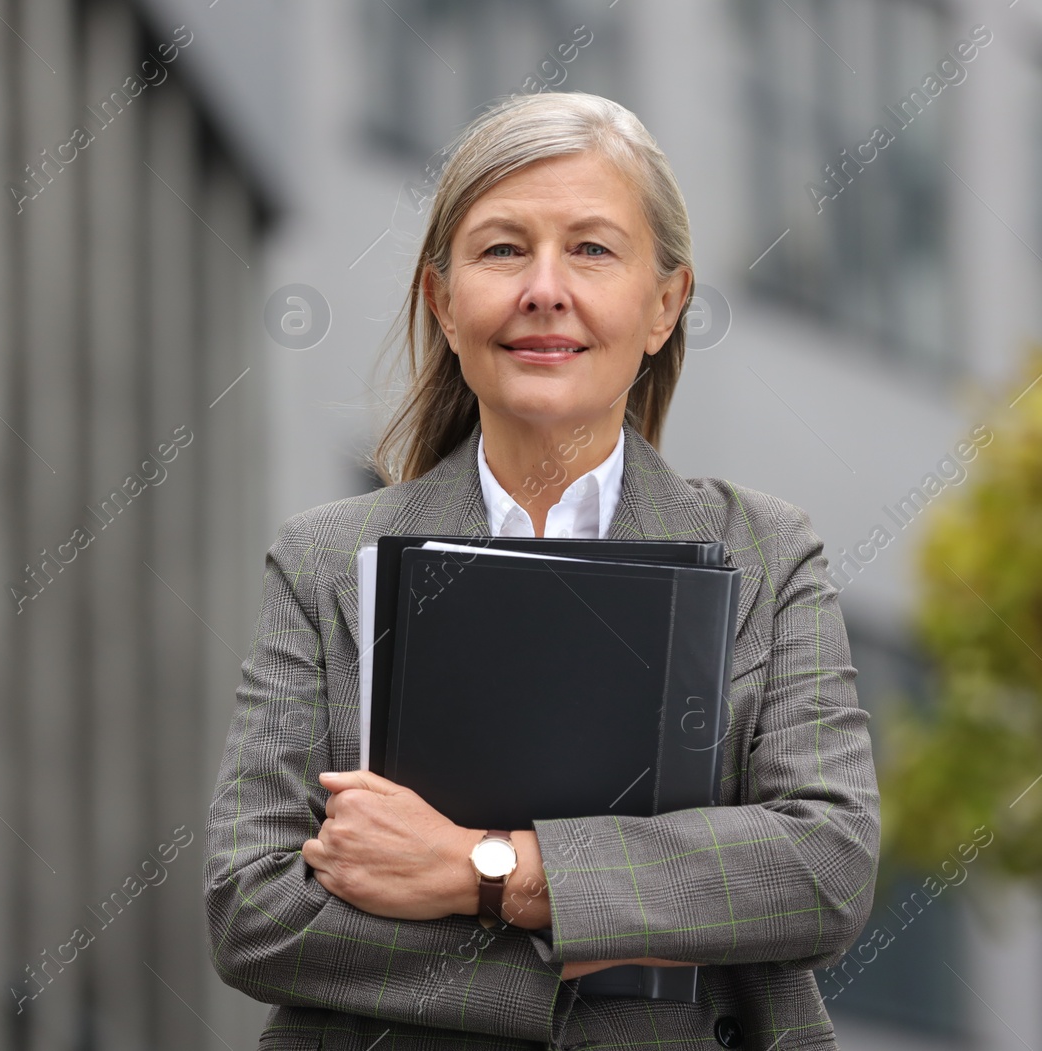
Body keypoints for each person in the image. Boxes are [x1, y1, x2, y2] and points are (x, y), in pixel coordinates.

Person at [204, 91, 878, 1050]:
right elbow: (255, 907)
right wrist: (605, 940)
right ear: (443, 301)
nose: (544, 289)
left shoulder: (768, 554)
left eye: (593, 250)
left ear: (665, 303)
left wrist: (483, 872)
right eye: (502, 249)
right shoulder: (320, 562)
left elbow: (823, 864)